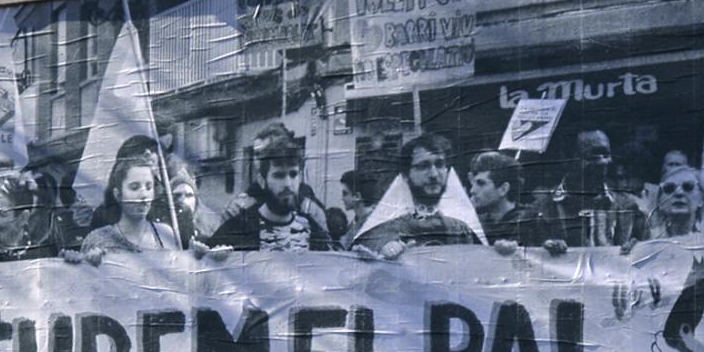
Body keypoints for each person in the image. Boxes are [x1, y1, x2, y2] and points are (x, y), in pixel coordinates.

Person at [207, 123, 335, 252]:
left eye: (293, 174)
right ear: (262, 181)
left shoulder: (314, 229)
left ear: (300, 177)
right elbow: (205, 262)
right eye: (279, 176)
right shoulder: (237, 227)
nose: (288, 184)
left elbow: (334, 265)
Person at [355, 132, 484, 254]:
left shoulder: (461, 229)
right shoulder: (379, 229)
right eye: (423, 166)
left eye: (439, 164)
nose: (434, 174)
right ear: (405, 175)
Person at [534, 128, 645, 249]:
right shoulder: (542, 210)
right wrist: (545, 252)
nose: (603, 162)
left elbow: (651, 259)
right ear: (568, 159)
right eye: (594, 155)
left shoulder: (629, 208)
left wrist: (638, 250)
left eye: (606, 155)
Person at [73, 155, 183, 261]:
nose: (144, 194)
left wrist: (195, 258)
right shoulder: (97, 240)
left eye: (149, 187)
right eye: (134, 187)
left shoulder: (165, 234)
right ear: (118, 194)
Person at [467, 150, 547, 250]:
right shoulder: (476, 223)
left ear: (503, 189)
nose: (472, 190)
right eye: (473, 183)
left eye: (481, 183)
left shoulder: (531, 223)